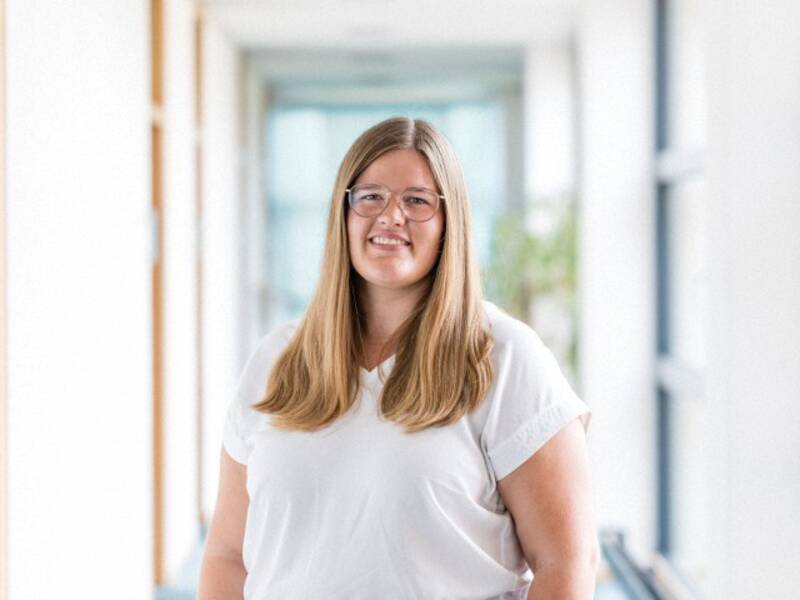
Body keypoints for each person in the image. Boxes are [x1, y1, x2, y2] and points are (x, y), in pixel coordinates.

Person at [198, 117, 598, 599]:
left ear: (452, 222)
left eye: (417, 200)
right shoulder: (277, 360)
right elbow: (226, 554)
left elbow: (567, 562)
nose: (390, 216)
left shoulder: (506, 357)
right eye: (370, 197)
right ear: (343, 214)